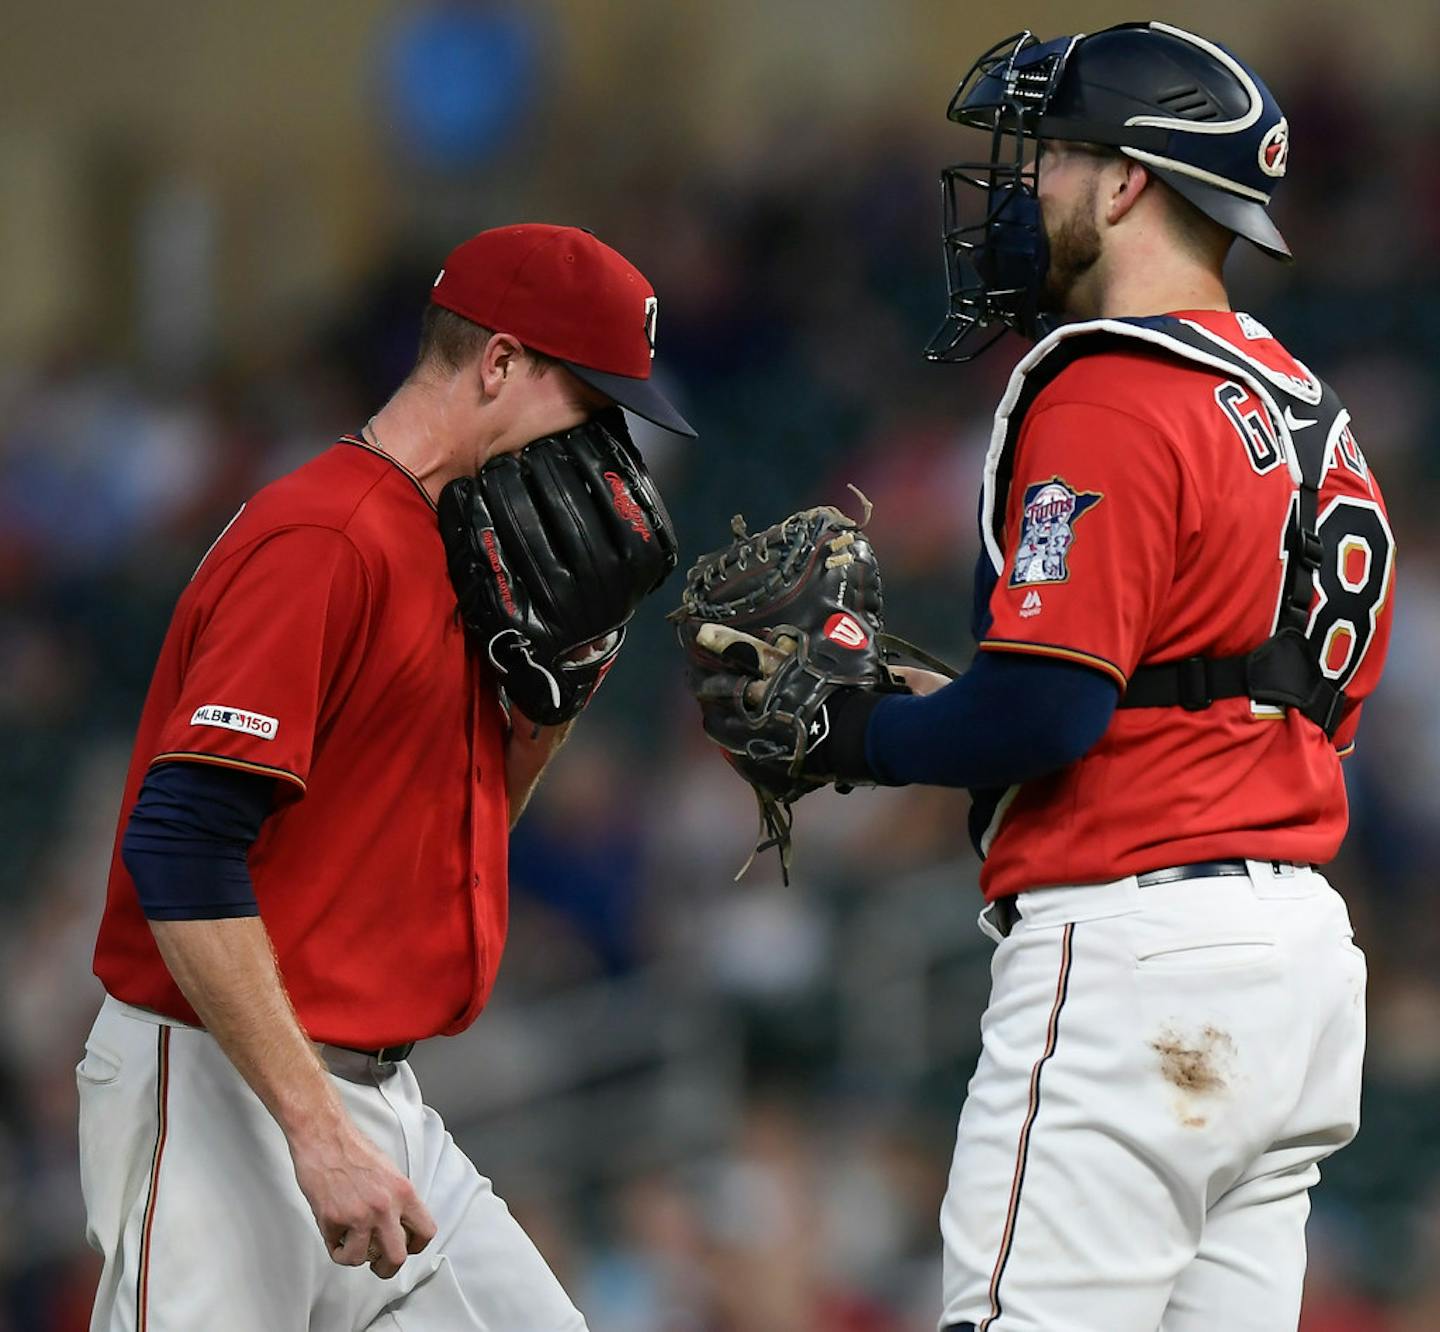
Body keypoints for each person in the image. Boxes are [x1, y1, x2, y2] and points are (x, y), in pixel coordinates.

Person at [689, 20, 1392, 1332]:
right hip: (1294, 969)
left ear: (1129, 180)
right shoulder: (1311, 411)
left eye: (1057, 156)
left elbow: (1051, 710)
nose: (1031, 188)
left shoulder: (1113, 385)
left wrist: (858, 735)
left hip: (1138, 960)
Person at [79, 223, 695, 1332]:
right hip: (222, 1083)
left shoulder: (461, 548)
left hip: (373, 1096)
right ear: (499, 363)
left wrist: (547, 717)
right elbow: (177, 848)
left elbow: (433, 847)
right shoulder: (324, 536)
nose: (608, 448)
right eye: (592, 404)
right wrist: (313, 1130)